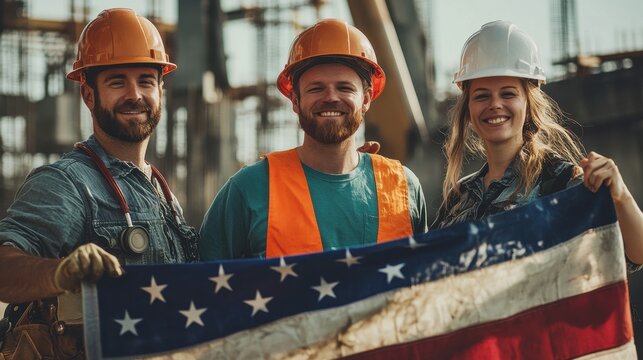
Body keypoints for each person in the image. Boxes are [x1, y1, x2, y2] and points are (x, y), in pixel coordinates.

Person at [0, 8, 198, 358]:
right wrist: (59, 272)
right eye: (117, 81)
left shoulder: (161, 191)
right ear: (89, 96)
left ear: (161, 91)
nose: (134, 94)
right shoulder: (67, 183)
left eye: (146, 80)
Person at [199, 19, 427, 260]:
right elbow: (202, 285)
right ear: (295, 101)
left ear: (367, 98)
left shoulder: (404, 188)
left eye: (345, 88)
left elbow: (427, 284)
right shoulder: (249, 188)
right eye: (316, 89)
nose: (331, 97)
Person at [431, 20, 643, 270]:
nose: (494, 104)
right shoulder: (459, 197)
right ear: (468, 108)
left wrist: (621, 195)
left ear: (529, 103)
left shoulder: (562, 181)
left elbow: (634, 255)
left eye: (508, 93)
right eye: (482, 96)